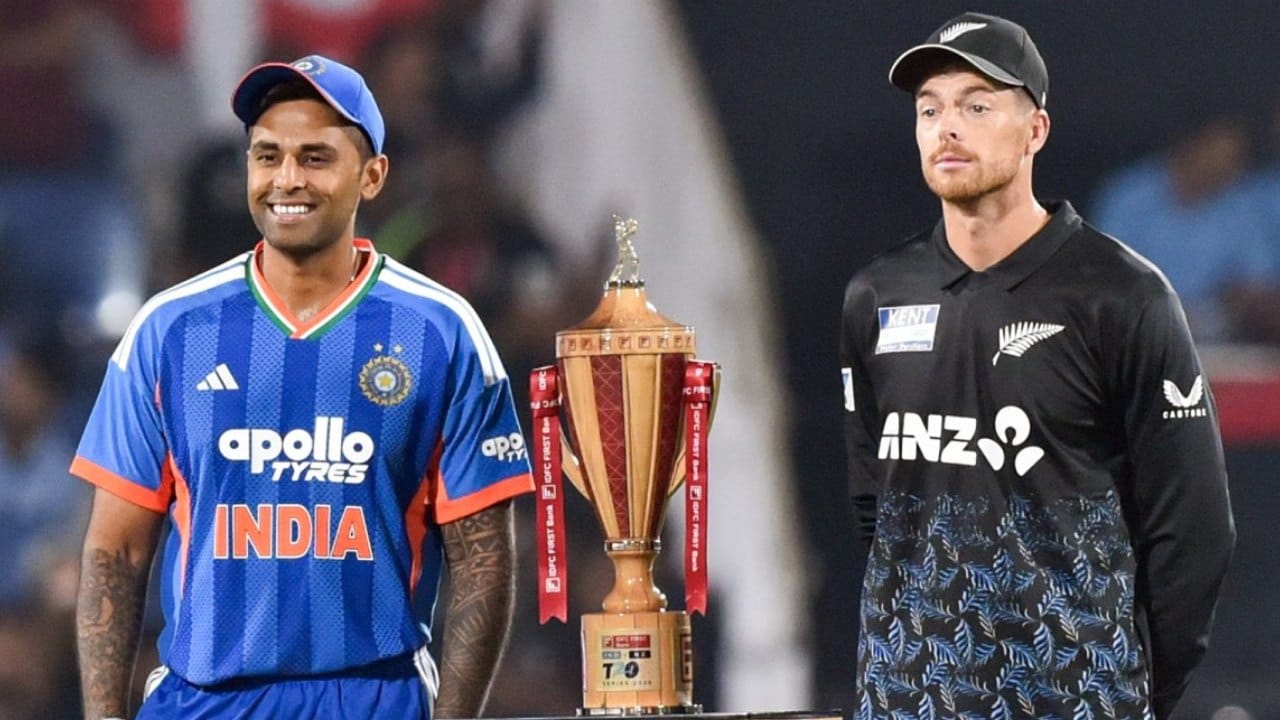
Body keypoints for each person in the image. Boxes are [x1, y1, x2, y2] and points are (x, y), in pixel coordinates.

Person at [72, 54, 533, 719]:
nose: (287, 178)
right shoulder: (167, 331)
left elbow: (483, 563)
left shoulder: (442, 333)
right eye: (268, 156)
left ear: (372, 176)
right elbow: (115, 551)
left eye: (316, 158)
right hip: (202, 704)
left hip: (375, 700)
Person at [840, 13, 1234, 720]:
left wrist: (1131, 688)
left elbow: (1194, 528)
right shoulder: (876, 296)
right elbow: (877, 506)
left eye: (976, 106)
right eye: (930, 109)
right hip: (906, 701)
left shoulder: (1123, 296)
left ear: (1036, 131)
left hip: (1076, 699)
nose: (946, 127)